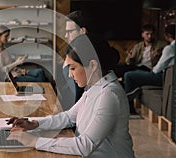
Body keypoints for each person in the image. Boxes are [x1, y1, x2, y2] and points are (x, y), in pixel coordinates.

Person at [7, 34, 135, 157]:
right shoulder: (95, 86)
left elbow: (85, 145)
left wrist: (34, 141)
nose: (70, 75)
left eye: (73, 68)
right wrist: (34, 124)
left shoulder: (109, 95)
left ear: (93, 65)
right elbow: (69, 117)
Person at [124, 24, 175, 114]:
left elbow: (158, 68)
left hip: (161, 76)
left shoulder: (167, 47)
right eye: (147, 34)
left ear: (166, 36)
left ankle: (129, 107)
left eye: (151, 34)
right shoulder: (138, 46)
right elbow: (129, 60)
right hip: (157, 73)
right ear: (142, 35)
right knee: (131, 71)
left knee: (128, 75)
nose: (150, 36)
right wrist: (129, 56)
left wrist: (159, 55)